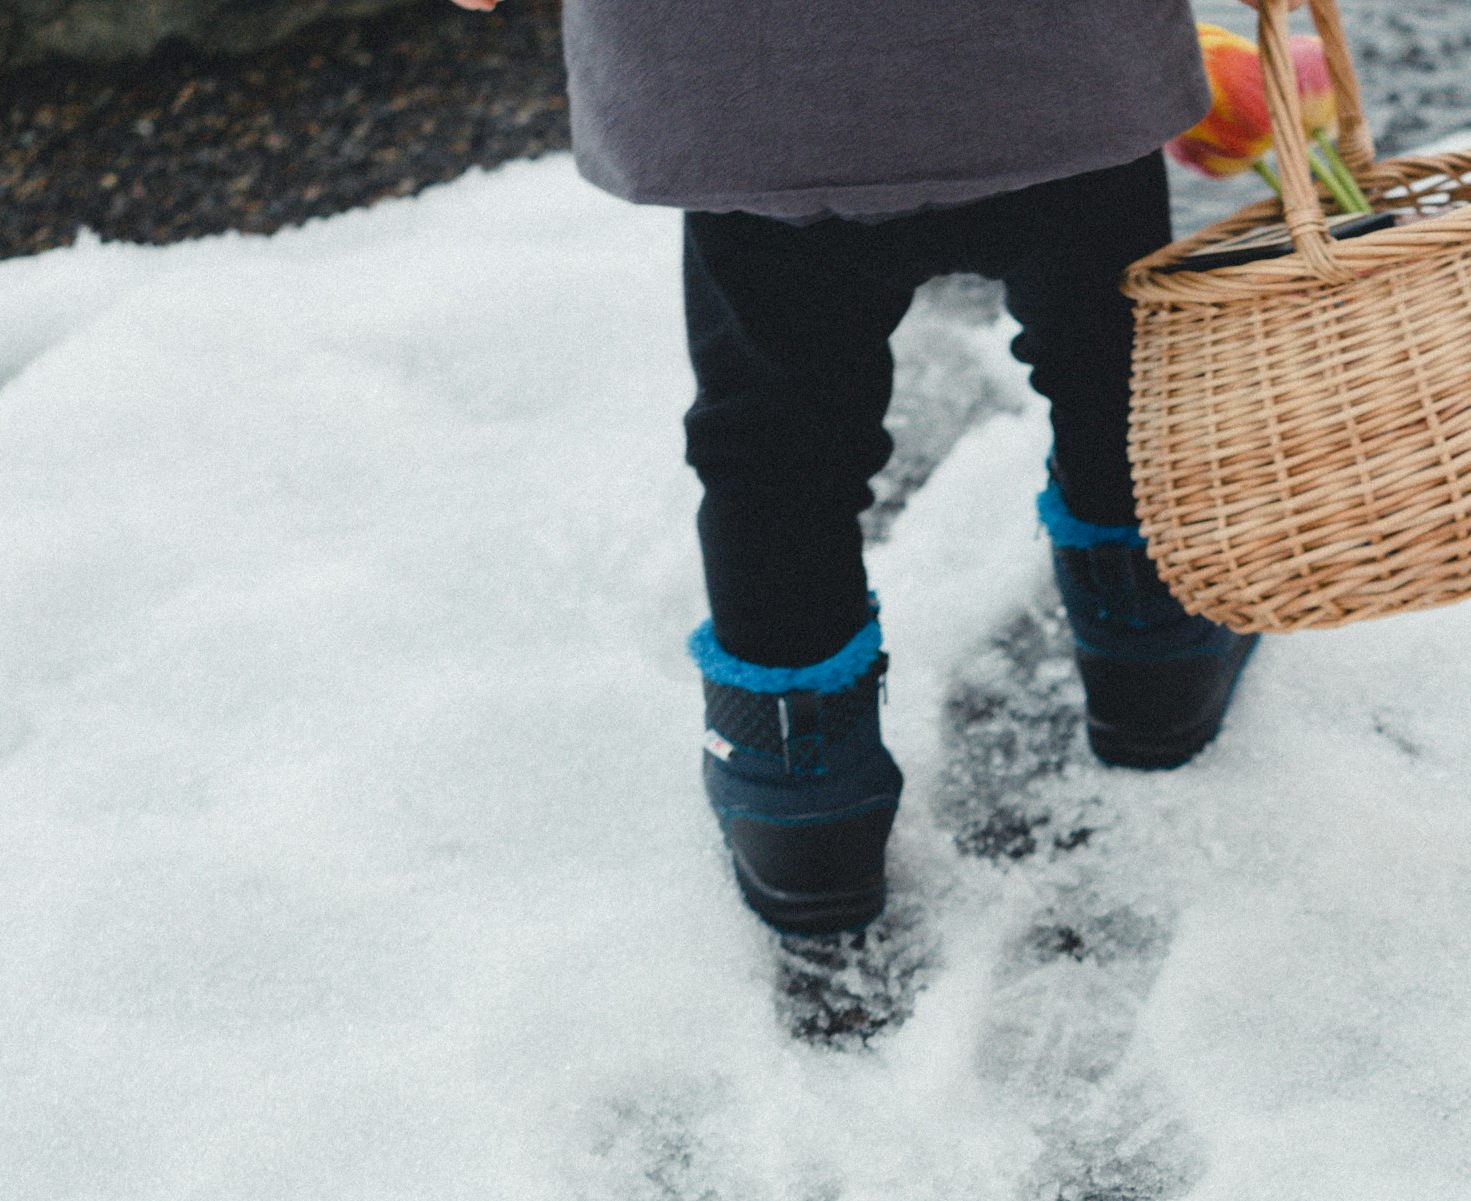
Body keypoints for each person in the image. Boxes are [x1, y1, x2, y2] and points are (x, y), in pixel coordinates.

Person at [454, 0, 1261, 939]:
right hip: (1050, 59)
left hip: (754, 86)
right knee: (1110, 360)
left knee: (777, 437)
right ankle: (1152, 652)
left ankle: (798, 794)